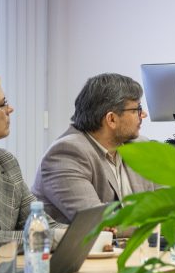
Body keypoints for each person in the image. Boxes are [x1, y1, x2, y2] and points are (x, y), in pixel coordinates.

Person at [33, 73, 156, 223]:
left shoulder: (141, 146)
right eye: (136, 109)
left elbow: (169, 206)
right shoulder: (66, 154)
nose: (143, 115)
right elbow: (99, 222)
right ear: (111, 119)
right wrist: (154, 223)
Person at [0, 72, 62, 258]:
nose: (10, 109)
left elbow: (41, 223)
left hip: (5, 271)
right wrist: (55, 237)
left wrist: (90, 235)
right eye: (2, 104)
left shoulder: (6, 162)